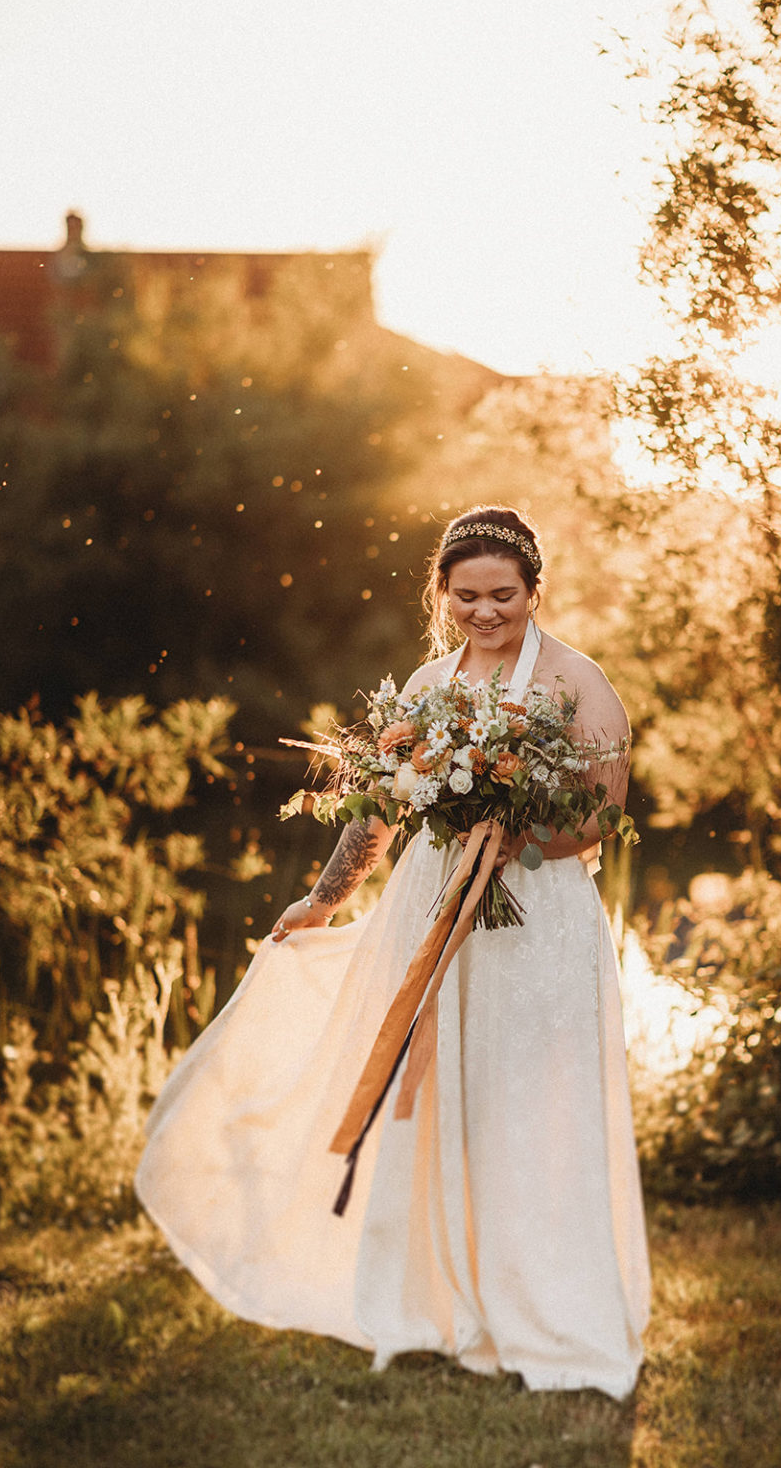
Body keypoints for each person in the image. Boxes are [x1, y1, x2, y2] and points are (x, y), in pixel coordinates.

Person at [136, 504, 650, 1400]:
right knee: (433, 1102)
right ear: (442, 594)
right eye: (467, 597)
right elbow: (378, 809)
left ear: (534, 589)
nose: (485, 612)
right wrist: (324, 896)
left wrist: (517, 828)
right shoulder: (423, 683)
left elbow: (605, 812)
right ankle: (427, 1299)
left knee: (530, 1103)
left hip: (537, 915)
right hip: (427, 905)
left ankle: (546, 1304)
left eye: (503, 595)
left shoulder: (578, 680)